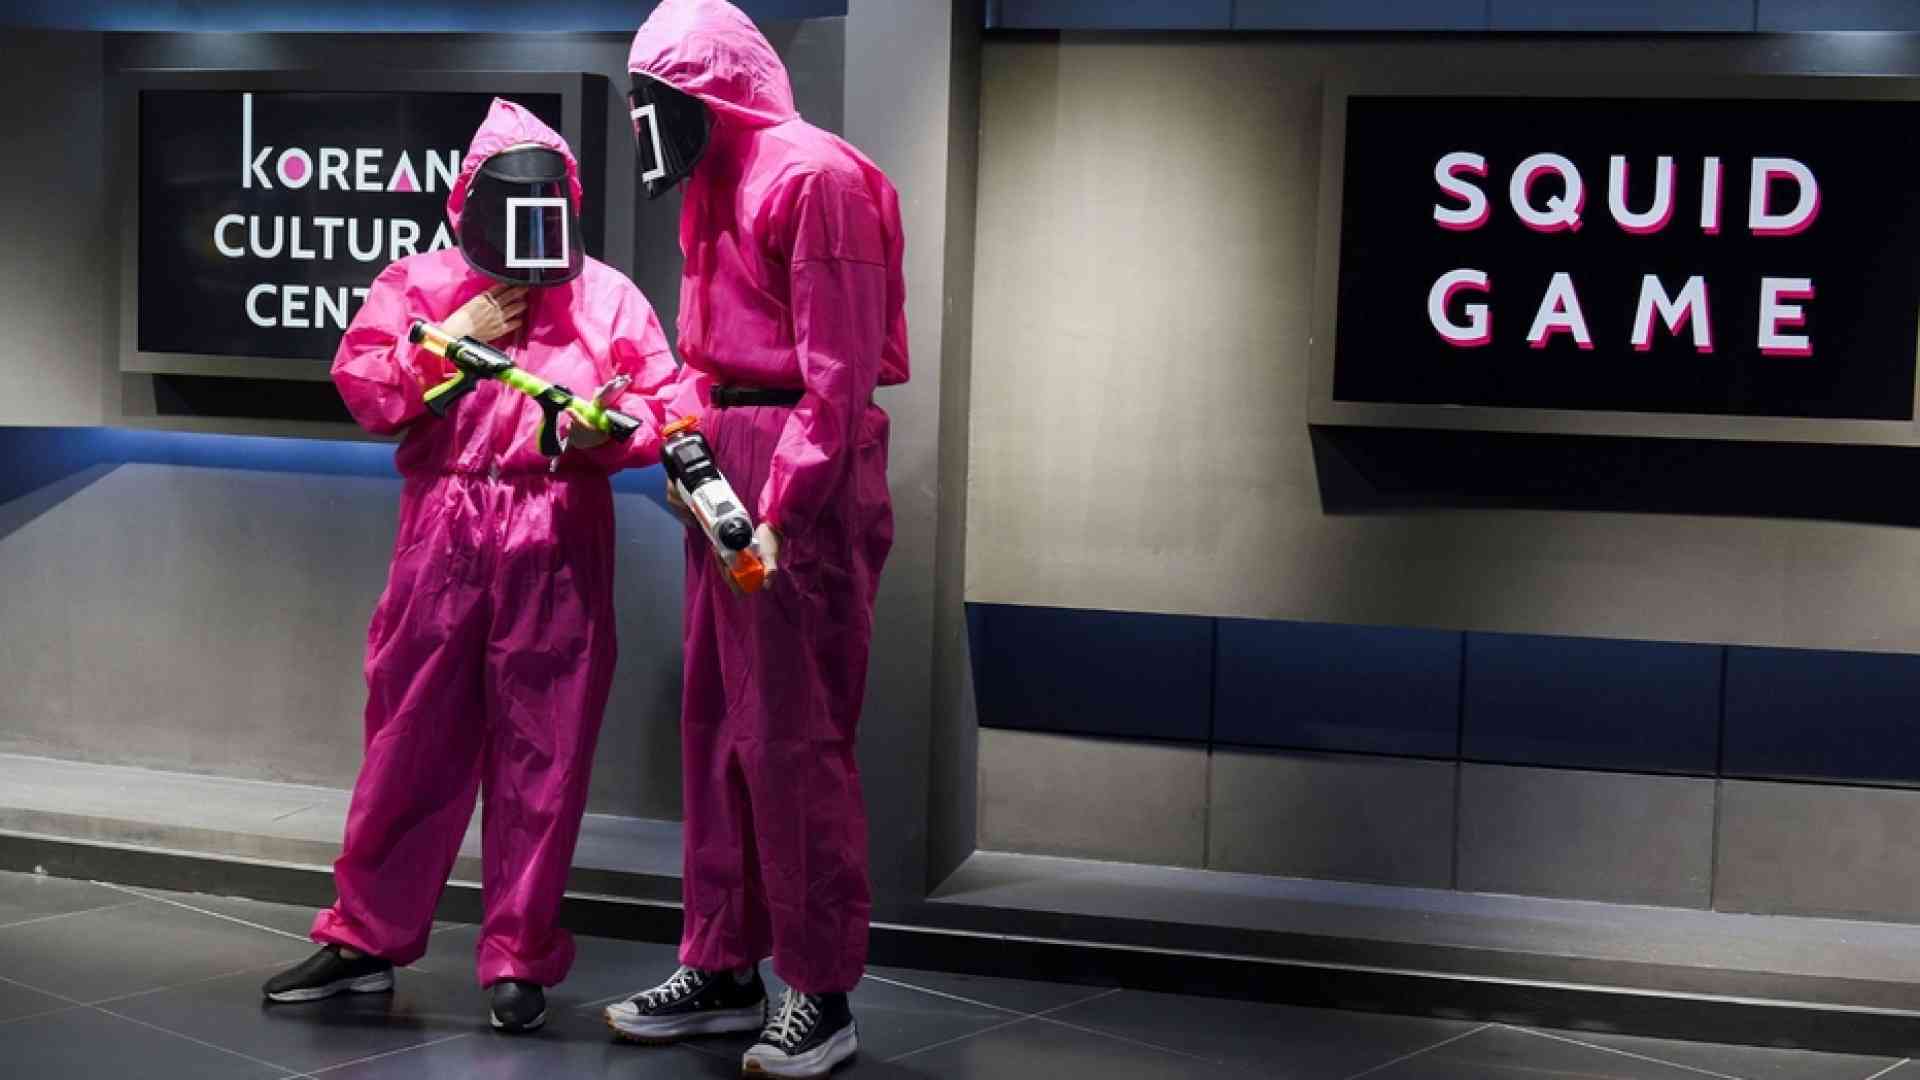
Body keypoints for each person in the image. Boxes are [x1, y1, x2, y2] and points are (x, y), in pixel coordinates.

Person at [259, 98, 678, 1034]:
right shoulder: (419, 283)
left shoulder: (606, 296)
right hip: (444, 528)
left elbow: (662, 402)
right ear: (473, 202)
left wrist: (605, 436)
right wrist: (458, 331)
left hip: (557, 528)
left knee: (545, 751)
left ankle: (518, 955)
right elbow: (366, 388)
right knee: (409, 737)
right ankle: (366, 938)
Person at [602, 2, 909, 1076]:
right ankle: (723, 963)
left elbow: (838, 377)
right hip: (726, 454)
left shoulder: (812, 178)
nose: (647, 121)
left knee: (794, 734)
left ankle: (820, 990)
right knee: (714, 726)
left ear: (705, 88)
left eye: (658, 97)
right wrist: (683, 440)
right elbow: (705, 348)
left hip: (794, 466)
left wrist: (781, 510)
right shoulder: (715, 175)